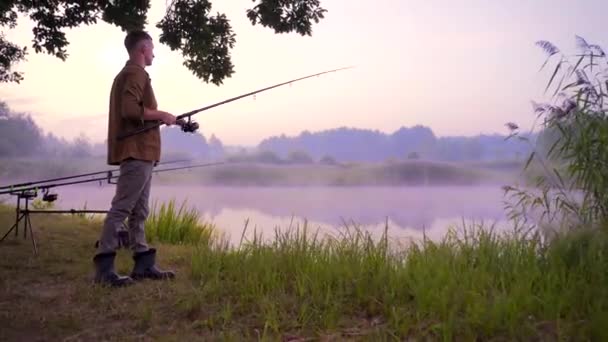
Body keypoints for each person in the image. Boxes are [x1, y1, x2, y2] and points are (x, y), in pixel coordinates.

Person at [93, 30, 178, 287]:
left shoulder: (128, 74)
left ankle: (143, 262)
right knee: (122, 209)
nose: (154, 53)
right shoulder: (134, 73)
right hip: (137, 152)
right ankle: (104, 267)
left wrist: (162, 117)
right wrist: (162, 114)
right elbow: (130, 111)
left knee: (140, 211)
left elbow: (136, 111)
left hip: (143, 153)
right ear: (142, 49)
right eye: (152, 48)